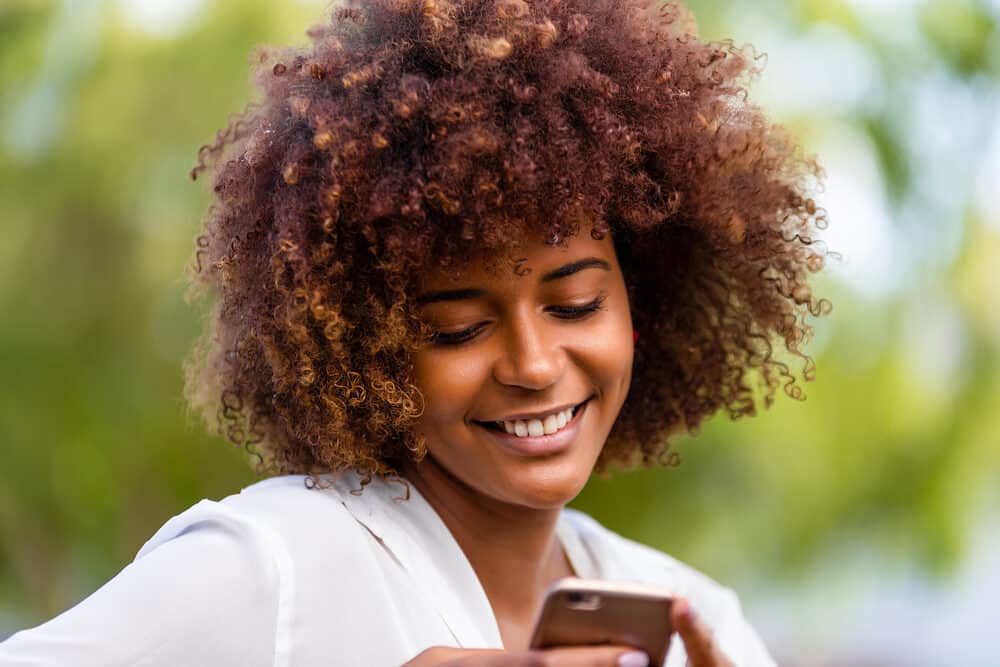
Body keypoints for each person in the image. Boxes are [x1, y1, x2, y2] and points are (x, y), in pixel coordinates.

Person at [0, 0, 831, 665]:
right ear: (367, 347)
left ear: (642, 299)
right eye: (459, 328)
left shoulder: (692, 616)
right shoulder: (277, 564)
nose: (536, 364)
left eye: (574, 305)